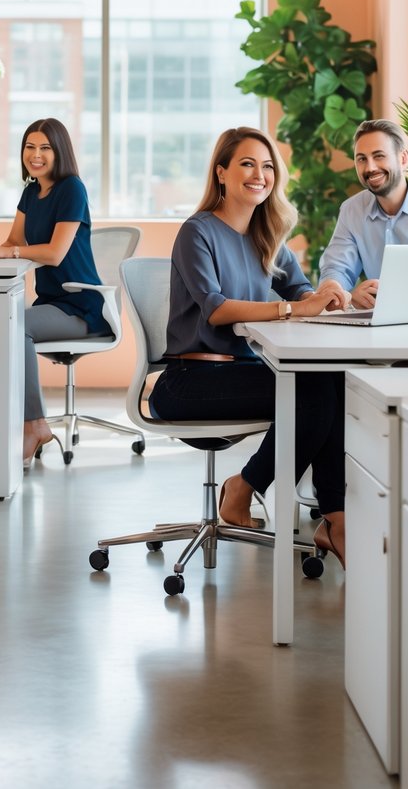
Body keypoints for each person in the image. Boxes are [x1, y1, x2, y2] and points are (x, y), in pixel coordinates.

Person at [148, 125, 351, 568]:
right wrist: (291, 311)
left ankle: (334, 516)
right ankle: (243, 487)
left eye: (266, 167)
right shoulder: (196, 232)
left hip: (241, 373)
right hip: (189, 379)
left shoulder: (267, 234)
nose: (259, 175)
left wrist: (335, 291)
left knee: (333, 378)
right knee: (313, 393)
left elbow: (301, 290)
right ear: (221, 173)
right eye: (246, 164)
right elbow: (216, 309)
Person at [0, 118, 105, 469]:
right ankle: (10, 422)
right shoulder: (31, 191)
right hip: (53, 302)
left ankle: (36, 425)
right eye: (29, 147)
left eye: (44, 148)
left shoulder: (72, 189)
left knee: (15, 326)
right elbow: (14, 243)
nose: (35, 155)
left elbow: (54, 253)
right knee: (0, 320)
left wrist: (7, 252)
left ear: (59, 152)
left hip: (80, 307)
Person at [319, 118, 408, 308]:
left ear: (403, 159)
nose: (370, 167)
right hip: (378, 325)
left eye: (379, 156)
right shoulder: (352, 210)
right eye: (362, 159)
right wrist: (339, 292)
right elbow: (337, 268)